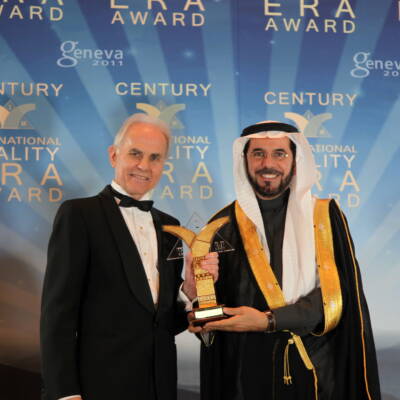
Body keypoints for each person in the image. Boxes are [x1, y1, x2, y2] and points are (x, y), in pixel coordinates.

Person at [192, 121, 381, 400]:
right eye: (258, 153)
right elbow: (211, 324)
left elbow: (338, 296)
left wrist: (269, 320)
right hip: (246, 375)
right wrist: (196, 302)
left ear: (295, 159)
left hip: (316, 370)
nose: (268, 164)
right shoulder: (221, 225)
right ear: (244, 159)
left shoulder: (324, 216)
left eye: (279, 153)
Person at [40, 113, 218, 400]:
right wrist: (65, 393)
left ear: (163, 165)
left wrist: (190, 290)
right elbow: (57, 314)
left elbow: (163, 324)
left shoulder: (170, 227)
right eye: (135, 153)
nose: (144, 166)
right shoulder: (79, 215)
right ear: (114, 155)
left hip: (159, 388)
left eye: (155, 158)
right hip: (97, 388)